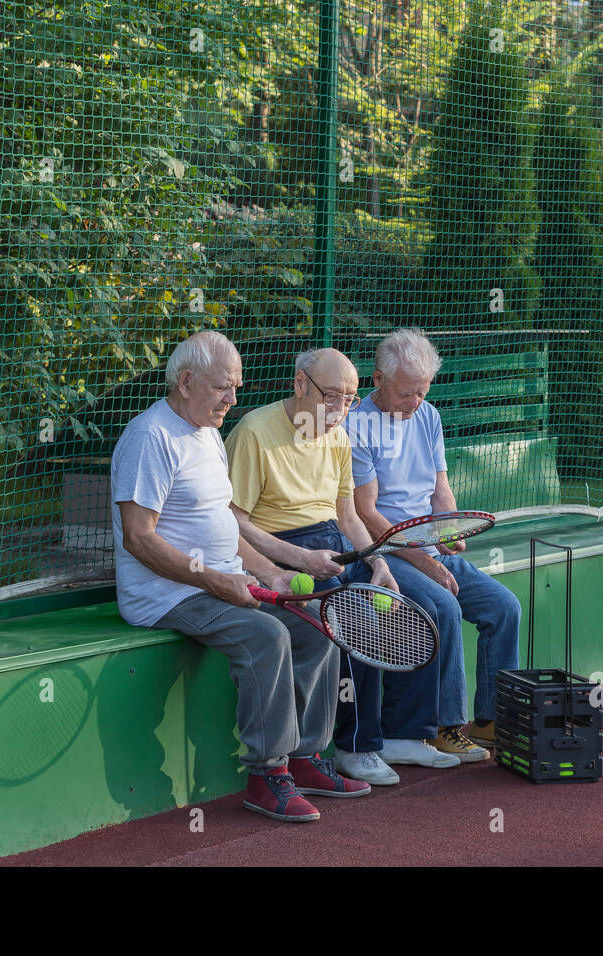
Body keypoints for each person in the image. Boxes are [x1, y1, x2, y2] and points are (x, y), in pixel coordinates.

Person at [111, 330, 370, 823]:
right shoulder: (151, 438)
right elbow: (138, 539)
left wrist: (269, 571)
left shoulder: (206, 432)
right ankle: (266, 775)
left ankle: (306, 757)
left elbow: (225, 523)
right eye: (222, 388)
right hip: (167, 595)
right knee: (267, 634)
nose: (233, 399)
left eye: (236, 387)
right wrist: (213, 580)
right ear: (185, 382)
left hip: (220, 580)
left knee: (318, 616)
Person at [225, 347, 445, 786]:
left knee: (410, 608)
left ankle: (393, 738)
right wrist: (298, 560)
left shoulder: (340, 436)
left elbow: (348, 516)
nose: (341, 409)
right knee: (354, 624)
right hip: (281, 552)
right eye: (332, 397)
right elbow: (233, 521)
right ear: (300, 383)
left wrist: (379, 563)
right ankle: (351, 749)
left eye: (349, 399)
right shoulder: (253, 432)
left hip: (337, 545)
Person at [345, 328, 521, 754]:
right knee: (442, 605)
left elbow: (440, 488)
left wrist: (449, 531)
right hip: (384, 551)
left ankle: (490, 721)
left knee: (504, 607)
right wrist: (427, 563)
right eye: (407, 394)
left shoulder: (429, 416)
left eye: (422, 392)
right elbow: (367, 513)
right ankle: (442, 728)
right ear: (377, 381)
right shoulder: (356, 426)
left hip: (426, 546)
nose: (415, 403)